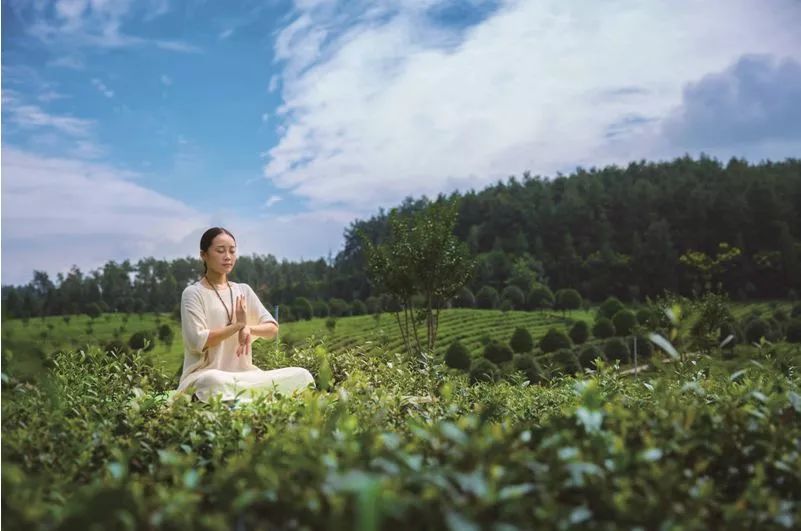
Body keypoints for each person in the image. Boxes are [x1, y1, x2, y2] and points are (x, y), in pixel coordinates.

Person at [177, 227, 314, 403]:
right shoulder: (193, 293)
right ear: (204, 255)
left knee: (302, 375)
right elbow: (198, 341)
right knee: (212, 381)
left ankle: (242, 397)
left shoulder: (243, 290)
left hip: (245, 376)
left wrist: (249, 328)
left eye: (232, 251)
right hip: (205, 376)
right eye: (220, 250)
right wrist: (237, 326)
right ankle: (245, 397)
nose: (228, 256)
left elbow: (272, 329)